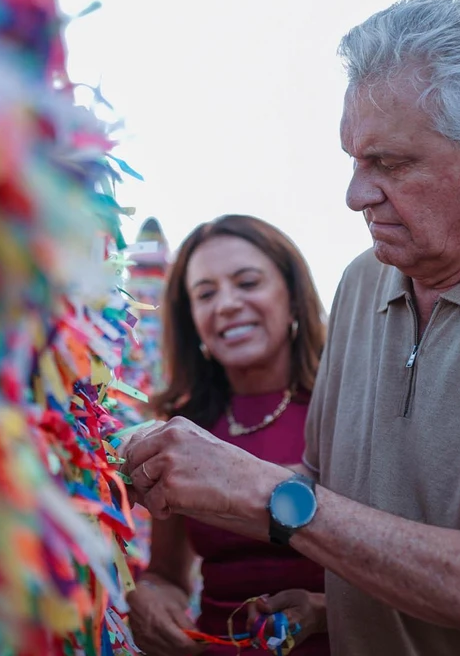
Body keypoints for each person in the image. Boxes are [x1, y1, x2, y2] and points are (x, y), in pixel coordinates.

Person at [121, 0, 460, 655]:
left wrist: (253, 486)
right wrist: (323, 606)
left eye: (389, 163)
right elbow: (326, 493)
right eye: (353, 160)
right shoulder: (362, 282)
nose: (355, 195)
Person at [125, 215, 332, 656]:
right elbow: (168, 575)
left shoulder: (348, 411)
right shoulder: (181, 429)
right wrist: (153, 598)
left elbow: (408, 574)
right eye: (206, 294)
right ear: (192, 319)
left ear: (293, 299)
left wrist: (322, 610)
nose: (227, 305)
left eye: (247, 283)